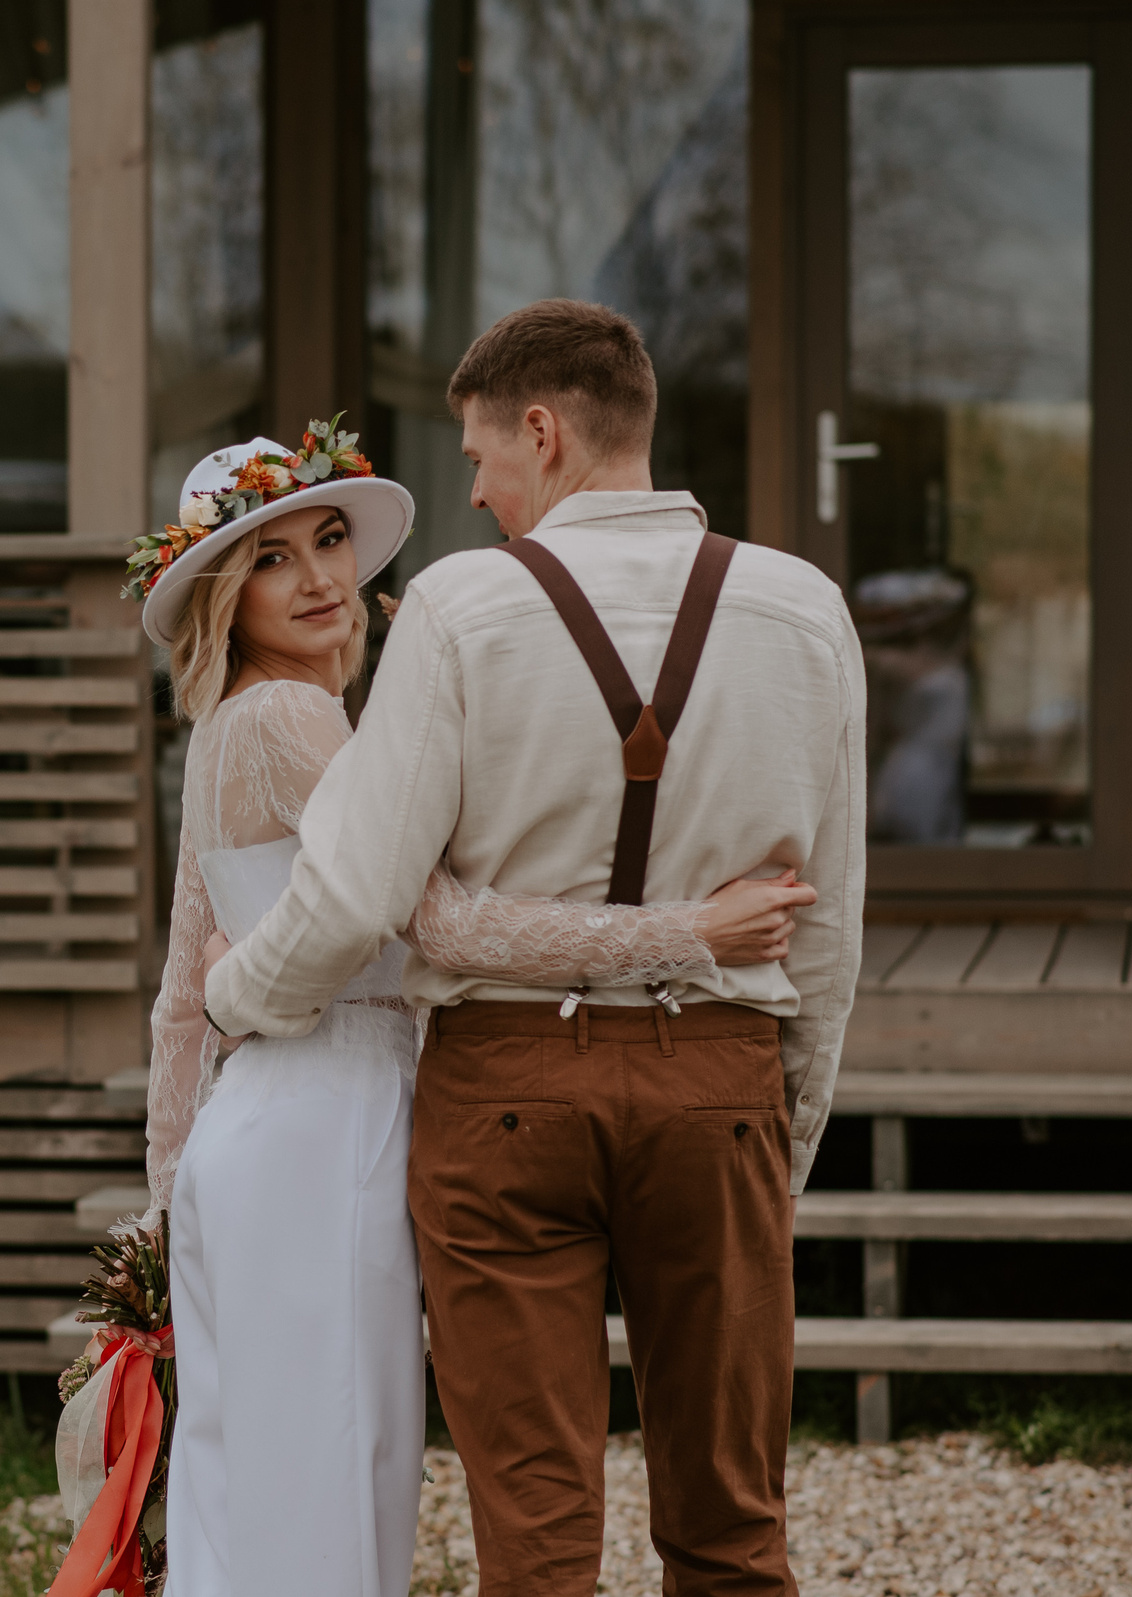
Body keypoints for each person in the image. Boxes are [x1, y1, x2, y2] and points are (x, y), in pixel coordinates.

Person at [204, 302, 866, 1597]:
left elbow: (356, 889)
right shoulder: (806, 609)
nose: (477, 483)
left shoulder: (458, 606)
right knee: (735, 1531)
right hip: (717, 1087)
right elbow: (827, 917)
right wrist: (784, 1121)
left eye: (479, 451)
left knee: (538, 1539)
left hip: (503, 1092)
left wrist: (240, 991)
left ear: (545, 431)